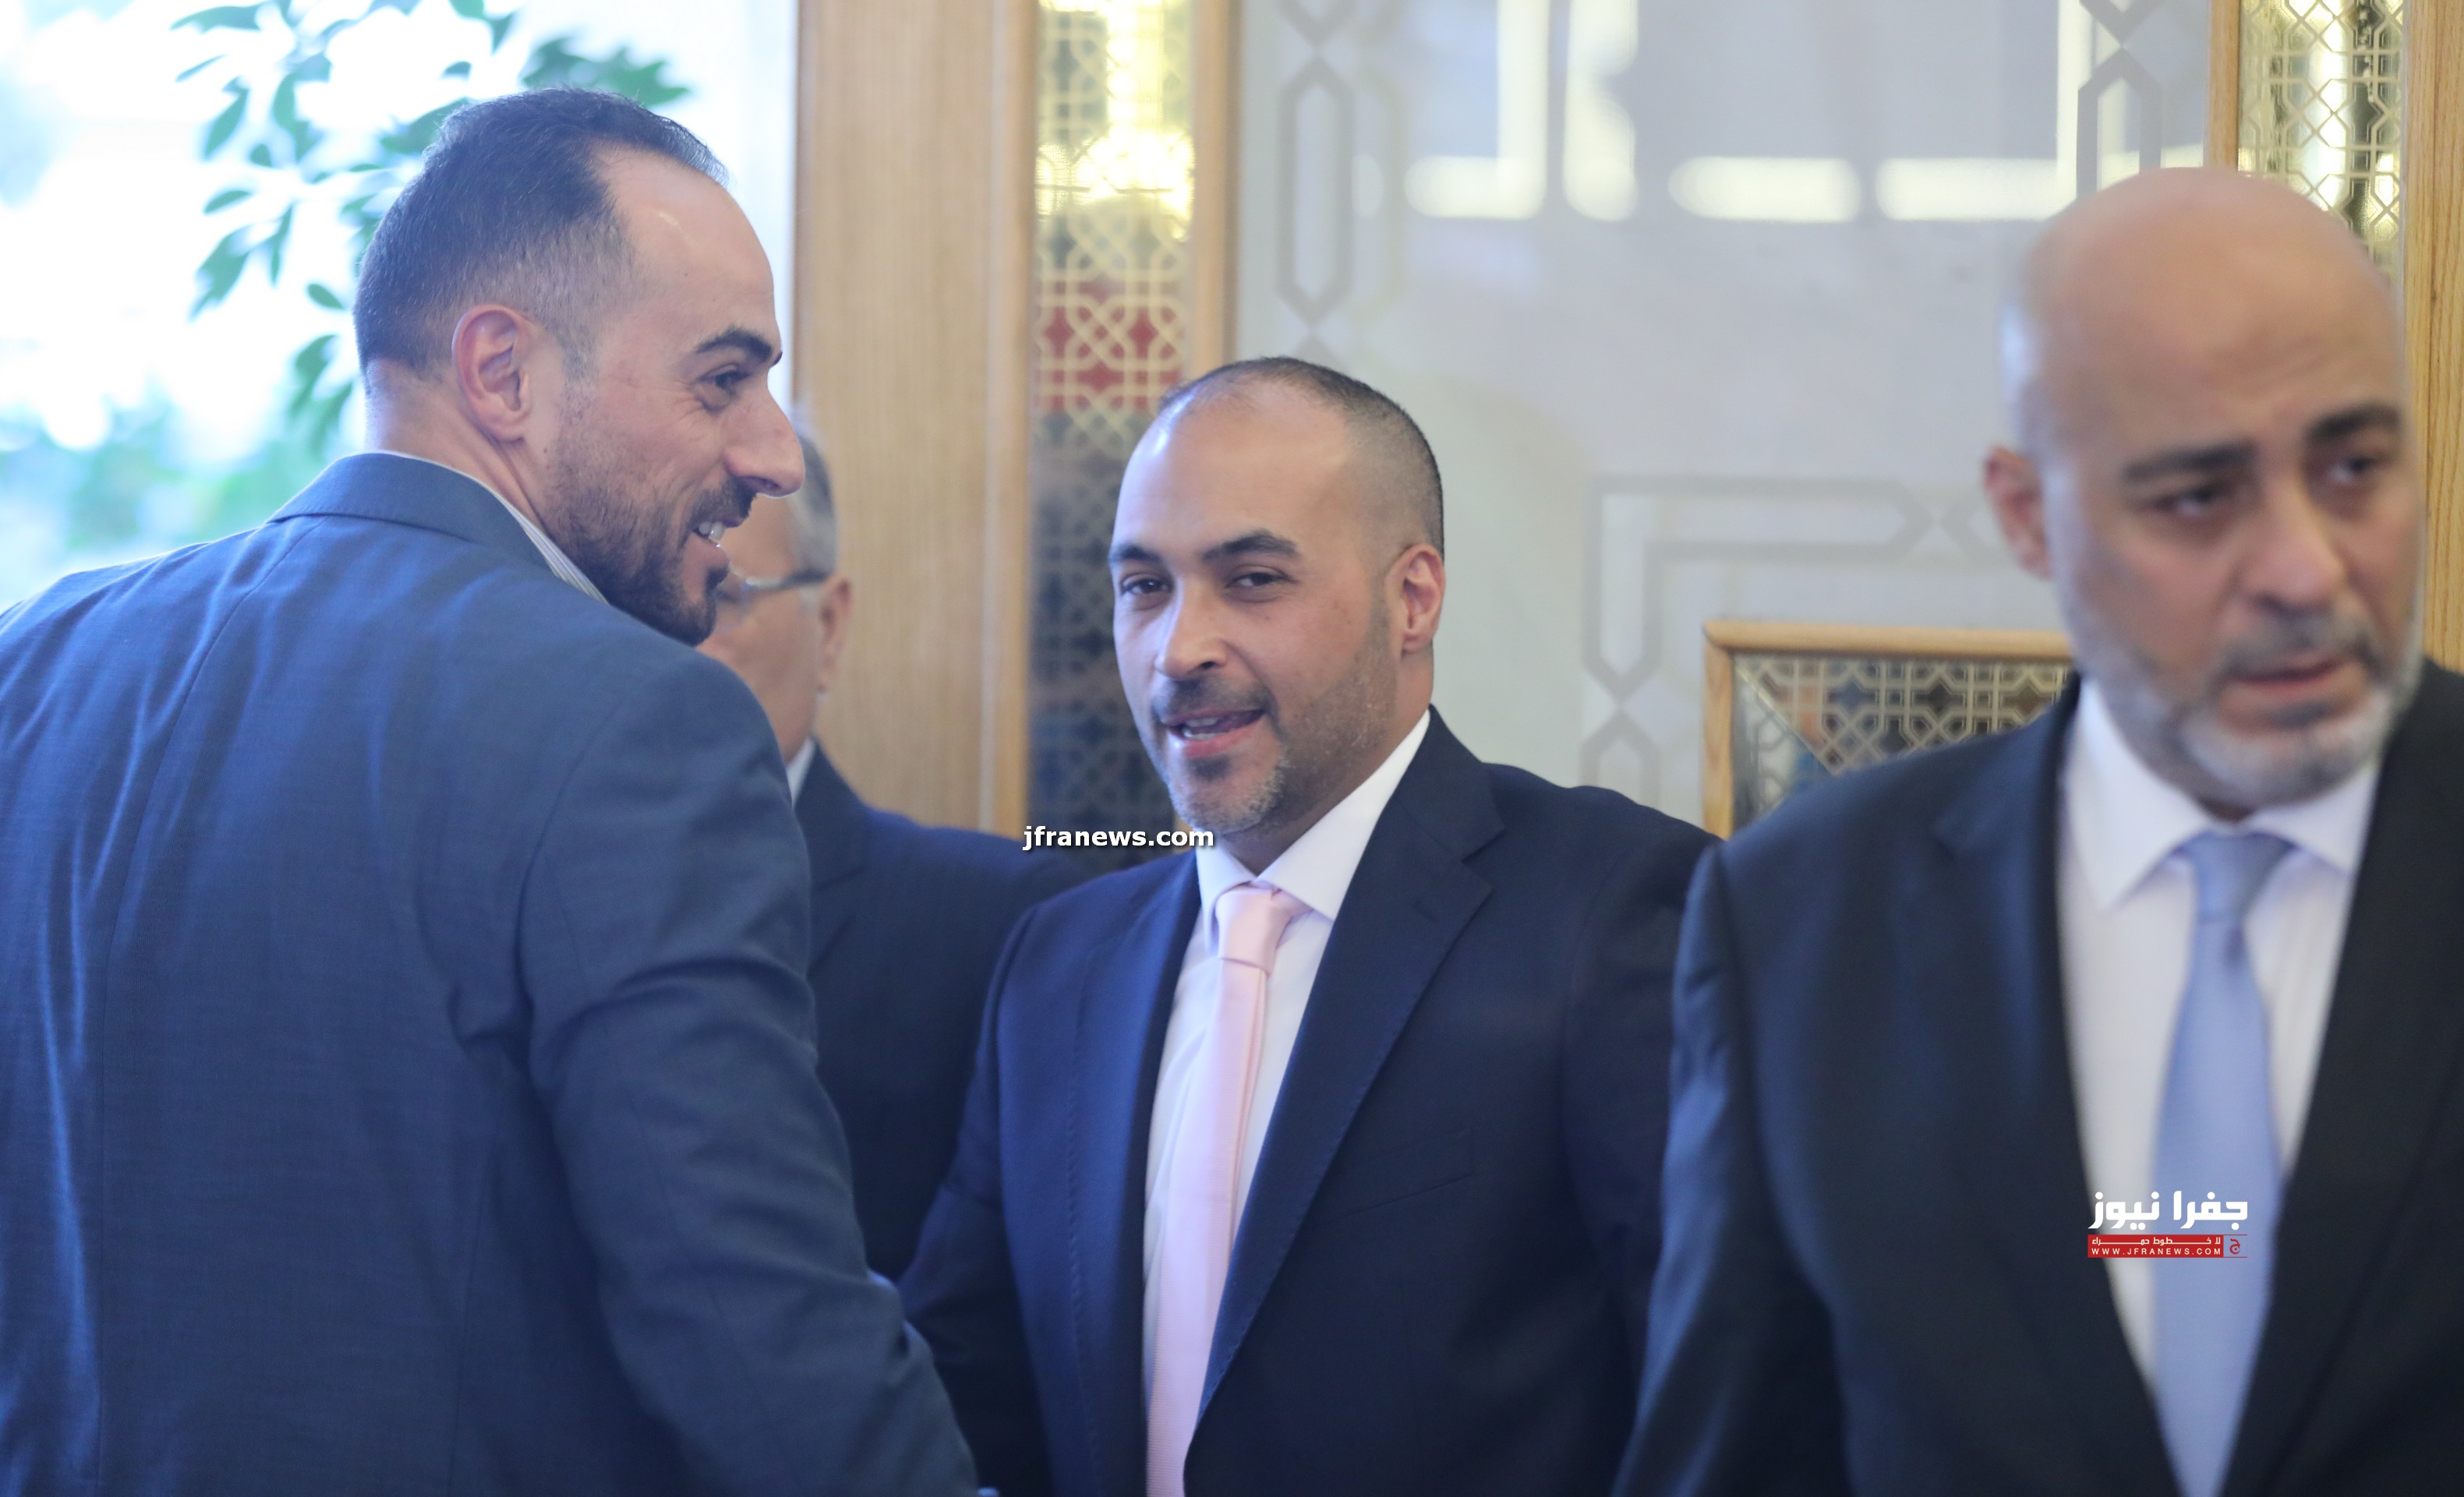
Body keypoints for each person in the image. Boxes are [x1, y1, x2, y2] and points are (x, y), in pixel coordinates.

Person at [0, 90, 976, 1494]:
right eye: (722, 380)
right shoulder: (640, 720)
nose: (772, 454)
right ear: (502, 372)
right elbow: (755, 1338)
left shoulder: (15, 673)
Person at [1620, 168, 2463, 1497]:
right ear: (2027, 515)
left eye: (2354, 468)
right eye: (2199, 498)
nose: (2308, 569)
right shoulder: (1806, 921)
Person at [900, 358, 1713, 1497]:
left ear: (1412, 599)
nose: (1179, 648)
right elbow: (966, 1388)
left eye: (1253, 580)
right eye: (1144, 586)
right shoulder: (1059, 964)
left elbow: (1719, 1398)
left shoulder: (1614, 910)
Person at [701, 435, 1082, 1279]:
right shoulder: (510, 894)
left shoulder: (992, 924)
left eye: (719, 597)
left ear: (830, 625)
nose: (663, 642)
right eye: (617, 607)